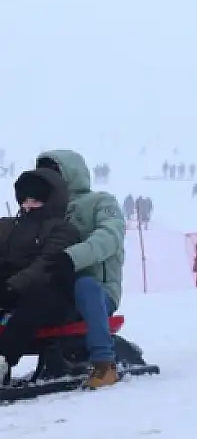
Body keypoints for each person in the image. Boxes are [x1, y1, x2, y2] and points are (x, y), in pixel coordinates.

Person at [34, 151, 126, 389]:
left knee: (85, 286)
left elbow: (110, 236)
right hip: (59, 291)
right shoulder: (46, 211)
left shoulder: (100, 202)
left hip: (98, 291)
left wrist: (71, 258)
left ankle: (104, 363)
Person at [0, 166, 80, 385]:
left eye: (35, 201)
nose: (28, 206)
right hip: (13, 289)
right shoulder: (9, 226)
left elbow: (45, 264)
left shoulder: (63, 230)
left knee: (38, 296)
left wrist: (12, 287)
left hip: (50, 296)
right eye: (25, 200)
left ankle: (3, 359)